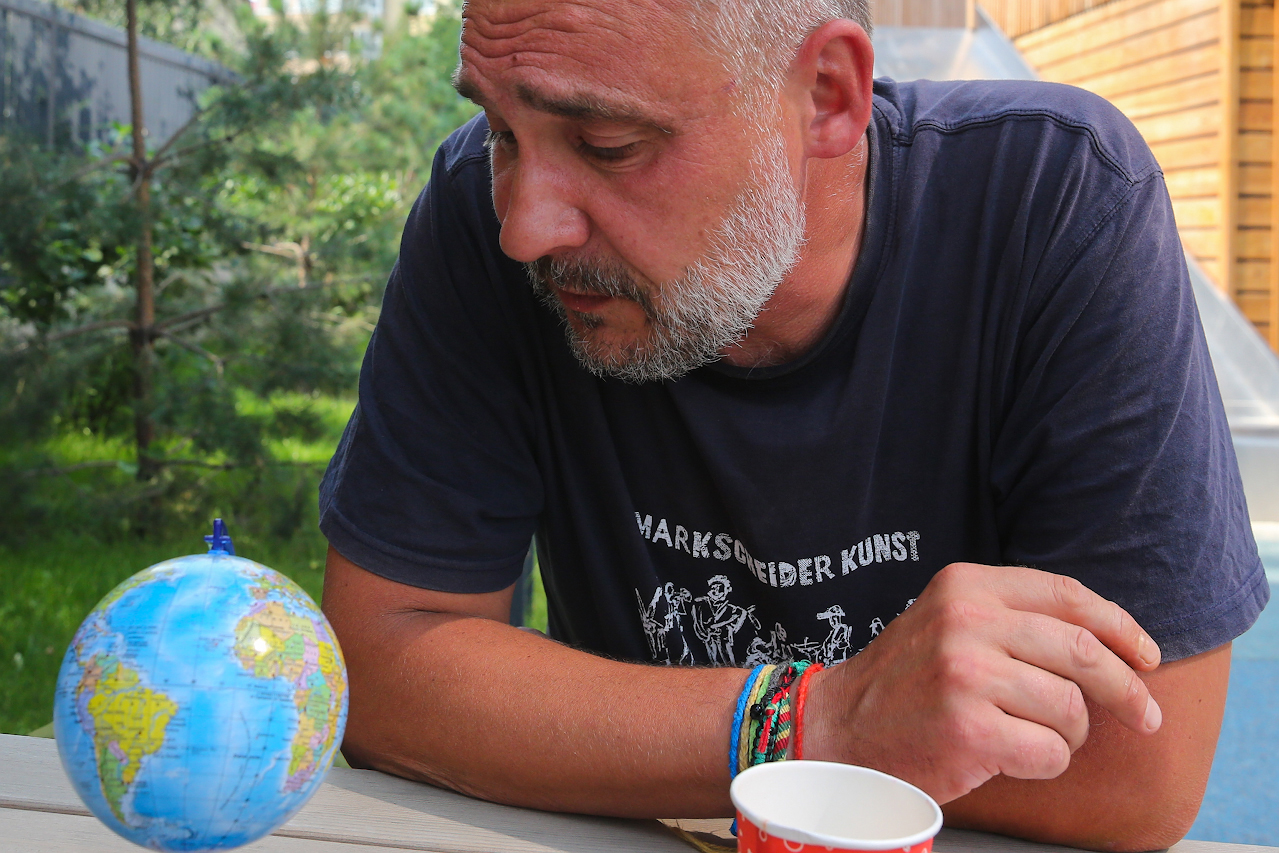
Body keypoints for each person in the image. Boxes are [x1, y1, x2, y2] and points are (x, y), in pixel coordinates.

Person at [317, 0, 1271, 849]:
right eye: (500, 131)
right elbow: (380, 668)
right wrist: (819, 719)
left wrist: (604, 735)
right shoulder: (476, 216)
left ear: (825, 96)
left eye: (608, 144)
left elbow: (1135, 767)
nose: (524, 227)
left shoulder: (1053, 198)